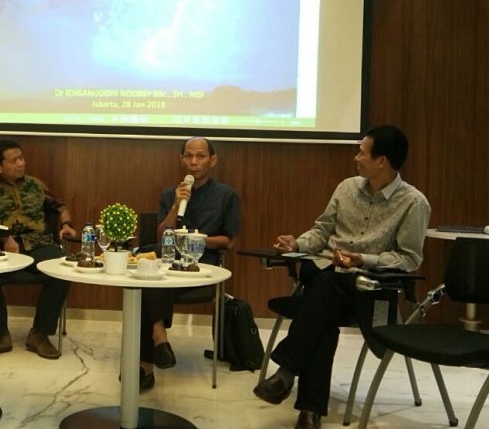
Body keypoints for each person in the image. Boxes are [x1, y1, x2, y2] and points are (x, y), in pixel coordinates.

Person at [253, 125, 430, 429]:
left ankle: (292, 383)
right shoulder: (346, 188)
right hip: (326, 275)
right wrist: (297, 243)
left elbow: (409, 259)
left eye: (362, 151)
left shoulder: (414, 203)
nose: (356, 157)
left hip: (366, 287)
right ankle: (305, 406)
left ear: (382, 161)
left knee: (323, 304)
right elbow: (322, 231)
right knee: (326, 289)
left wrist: (363, 259)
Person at [138, 137, 240, 390]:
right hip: (168, 262)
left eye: (201, 156)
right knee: (146, 279)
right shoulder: (169, 194)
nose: (194, 162)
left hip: (202, 265)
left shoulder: (227, 195)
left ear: (212, 160)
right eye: (189, 156)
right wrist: (175, 205)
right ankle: (158, 342)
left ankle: (145, 364)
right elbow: (161, 236)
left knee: (148, 285)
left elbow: (229, 241)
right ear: (182, 159)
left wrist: (196, 240)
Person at [0, 139, 75, 360]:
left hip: (38, 243)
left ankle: (40, 334)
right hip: (2, 247)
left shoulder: (36, 185)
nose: (21, 164)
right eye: (14, 160)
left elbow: (60, 207)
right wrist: (5, 237)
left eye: (22, 158)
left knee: (62, 268)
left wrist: (67, 225)